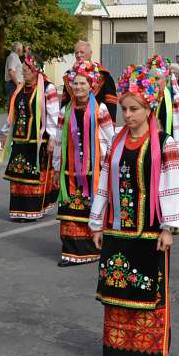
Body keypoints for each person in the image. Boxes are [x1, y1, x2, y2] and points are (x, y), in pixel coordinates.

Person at [88, 65, 179, 356]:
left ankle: (144, 350)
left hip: (150, 233)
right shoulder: (115, 144)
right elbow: (105, 184)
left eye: (134, 109)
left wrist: (169, 228)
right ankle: (118, 351)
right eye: (124, 108)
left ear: (149, 109)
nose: (128, 115)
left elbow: (172, 186)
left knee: (148, 291)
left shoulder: (164, 143)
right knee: (117, 292)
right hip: (118, 231)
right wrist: (97, 223)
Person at [50, 59, 115, 267]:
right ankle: (70, 252)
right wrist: (56, 166)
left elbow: (110, 137)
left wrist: (108, 166)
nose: (78, 87)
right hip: (69, 171)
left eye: (83, 84)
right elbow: (59, 140)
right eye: (75, 84)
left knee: (92, 208)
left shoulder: (101, 110)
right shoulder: (64, 111)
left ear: (91, 86)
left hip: (93, 170)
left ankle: (94, 249)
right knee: (70, 210)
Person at [0, 48, 58, 220]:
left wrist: (52, 138)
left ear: (35, 70)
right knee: (18, 173)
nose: (23, 73)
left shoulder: (48, 89)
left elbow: (53, 114)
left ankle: (32, 210)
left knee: (34, 173)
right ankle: (18, 210)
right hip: (19, 139)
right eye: (22, 71)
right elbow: (13, 113)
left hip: (38, 139)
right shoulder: (20, 89)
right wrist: (5, 134)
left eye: (25, 71)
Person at [147, 55, 179, 169]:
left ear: (165, 79)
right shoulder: (145, 98)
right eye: (150, 78)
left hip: (167, 146)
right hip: (148, 147)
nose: (153, 82)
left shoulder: (174, 98)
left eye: (157, 78)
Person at [64, 40, 118, 120]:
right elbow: (65, 101)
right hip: (73, 123)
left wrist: (110, 123)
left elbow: (111, 102)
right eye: (76, 53)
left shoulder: (103, 75)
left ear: (91, 53)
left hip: (97, 123)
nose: (79, 55)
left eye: (82, 52)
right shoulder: (69, 75)